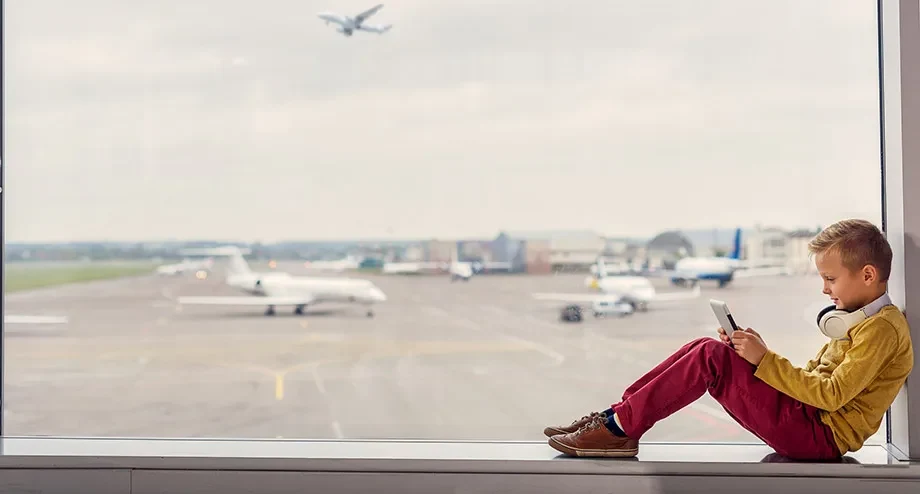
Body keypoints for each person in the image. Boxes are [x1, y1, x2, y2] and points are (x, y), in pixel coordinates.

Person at [544, 219, 914, 460]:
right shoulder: (861, 321)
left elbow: (831, 394)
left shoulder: (880, 328)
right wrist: (758, 355)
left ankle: (619, 430)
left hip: (819, 436)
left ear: (868, 275)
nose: (824, 289)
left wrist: (765, 361)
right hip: (809, 421)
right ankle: (614, 419)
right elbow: (821, 384)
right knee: (707, 349)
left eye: (830, 279)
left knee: (709, 356)